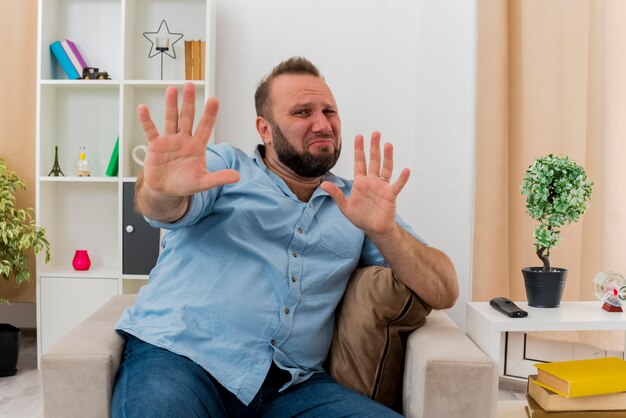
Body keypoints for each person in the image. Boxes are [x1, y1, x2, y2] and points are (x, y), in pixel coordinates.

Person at [112, 57, 459, 417]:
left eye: (329, 111)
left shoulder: (357, 203)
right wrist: (159, 188)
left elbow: (444, 290)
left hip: (292, 386)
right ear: (265, 129)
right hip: (180, 358)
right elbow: (163, 208)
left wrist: (385, 231)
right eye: (302, 112)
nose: (323, 124)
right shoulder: (226, 167)